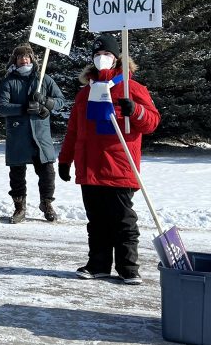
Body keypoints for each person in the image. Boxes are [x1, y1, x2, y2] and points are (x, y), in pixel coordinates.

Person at [57, 33, 160, 285]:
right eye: (98, 55)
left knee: (123, 221)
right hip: (90, 167)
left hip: (119, 166)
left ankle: (128, 267)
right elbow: (73, 130)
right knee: (97, 222)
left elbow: (152, 122)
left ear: (117, 58)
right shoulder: (85, 93)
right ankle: (98, 264)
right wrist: (64, 159)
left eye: (107, 55)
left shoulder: (132, 88)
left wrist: (135, 110)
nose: (102, 58)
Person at [0, 43, 65, 224]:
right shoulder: (9, 81)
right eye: (20, 57)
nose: (24, 59)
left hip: (40, 136)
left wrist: (46, 104)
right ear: (15, 60)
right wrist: (24, 108)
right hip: (18, 135)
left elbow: (60, 101)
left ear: (32, 59)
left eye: (27, 56)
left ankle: (46, 203)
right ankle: (19, 207)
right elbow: (2, 107)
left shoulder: (44, 79)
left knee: (48, 173)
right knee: (17, 175)